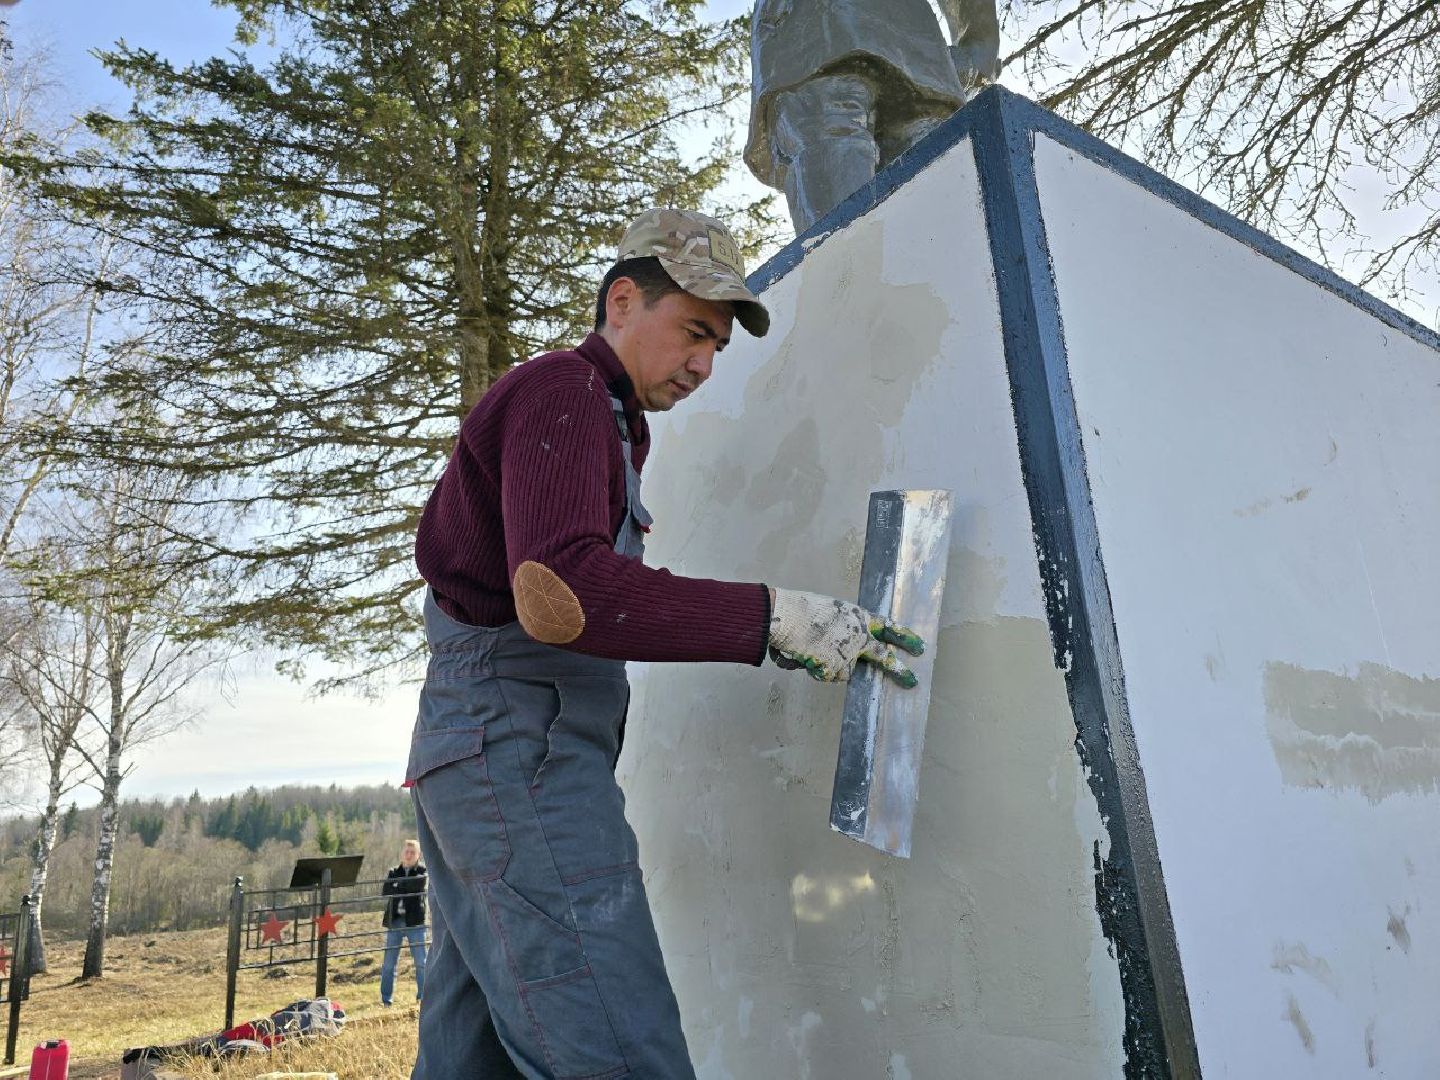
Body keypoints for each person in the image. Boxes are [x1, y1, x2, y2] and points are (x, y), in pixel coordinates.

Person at [406, 207, 925, 1079]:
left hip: (484, 754)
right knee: (619, 1049)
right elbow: (562, 592)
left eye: (718, 347)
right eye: (692, 332)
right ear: (621, 301)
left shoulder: (606, 420)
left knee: (472, 1061)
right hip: (516, 754)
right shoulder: (562, 391)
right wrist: (773, 618)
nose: (703, 366)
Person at [746, 0, 1002, 233]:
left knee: (936, 180)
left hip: (912, 48)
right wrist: (980, 47)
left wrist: (979, 46)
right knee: (842, 227)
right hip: (814, 37)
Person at [379, 839, 428, 1006]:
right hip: (395, 922)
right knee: (388, 964)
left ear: (418, 855)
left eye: (412, 852)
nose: (408, 855)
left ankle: (424, 997)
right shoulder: (393, 871)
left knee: (421, 962)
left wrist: (397, 886)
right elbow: (386, 891)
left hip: (415, 923)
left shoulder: (423, 871)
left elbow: (416, 886)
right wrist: (403, 886)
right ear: (402, 854)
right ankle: (386, 999)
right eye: (406, 852)